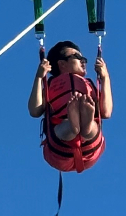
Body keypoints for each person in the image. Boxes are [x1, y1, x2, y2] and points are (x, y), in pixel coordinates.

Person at [28, 40, 113, 172]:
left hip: (87, 150)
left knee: (90, 126)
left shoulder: (89, 85)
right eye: (77, 57)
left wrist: (105, 77)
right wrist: (39, 77)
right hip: (60, 150)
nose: (83, 61)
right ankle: (77, 125)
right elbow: (35, 110)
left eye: (84, 59)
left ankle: (81, 125)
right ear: (62, 63)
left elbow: (106, 112)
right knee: (65, 125)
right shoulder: (50, 85)